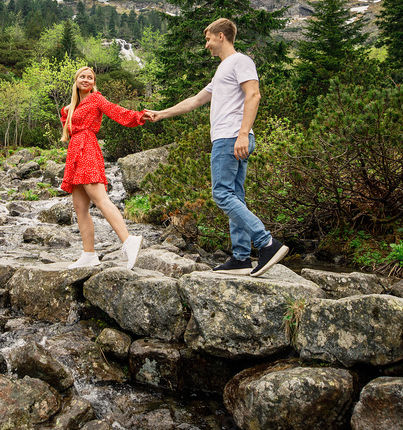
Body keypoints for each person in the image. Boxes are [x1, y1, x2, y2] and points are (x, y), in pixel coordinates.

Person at [144, 18, 288, 277]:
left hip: (230, 137)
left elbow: (253, 94)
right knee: (235, 196)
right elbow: (196, 100)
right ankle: (242, 257)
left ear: (221, 36)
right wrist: (161, 114)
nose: (207, 44)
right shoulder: (223, 69)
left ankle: (266, 242)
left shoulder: (240, 61)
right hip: (230, 137)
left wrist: (243, 134)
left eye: (209, 39)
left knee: (221, 194)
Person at [60, 65, 144, 269]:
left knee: (100, 199)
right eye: (82, 76)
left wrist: (139, 116)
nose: (86, 79)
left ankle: (128, 240)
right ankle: (89, 254)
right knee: (80, 208)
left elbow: (116, 112)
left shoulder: (96, 99)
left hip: (88, 148)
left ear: (94, 82)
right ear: (76, 80)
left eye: (90, 77)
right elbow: (69, 129)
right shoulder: (68, 109)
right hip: (74, 153)